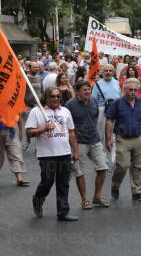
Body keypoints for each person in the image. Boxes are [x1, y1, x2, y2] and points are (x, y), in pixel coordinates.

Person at [26, 87, 80, 221]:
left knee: (63, 184)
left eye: (57, 96)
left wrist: (75, 150)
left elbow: (71, 132)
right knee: (47, 182)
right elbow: (29, 133)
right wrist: (43, 128)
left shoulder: (66, 111)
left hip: (64, 153)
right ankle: (37, 201)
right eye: (52, 96)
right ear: (46, 97)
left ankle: (63, 213)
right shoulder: (37, 111)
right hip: (47, 154)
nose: (55, 99)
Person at [105, 78, 141, 202]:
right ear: (124, 90)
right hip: (123, 139)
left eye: (135, 90)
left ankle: (137, 191)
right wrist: (108, 138)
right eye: (130, 90)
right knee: (123, 165)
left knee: (138, 167)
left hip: (139, 138)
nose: (133, 92)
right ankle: (115, 185)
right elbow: (110, 121)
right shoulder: (117, 103)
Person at [64, 81, 111, 210]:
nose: (88, 92)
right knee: (80, 172)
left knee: (102, 168)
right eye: (85, 90)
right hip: (79, 143)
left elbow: (95, 118)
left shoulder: (94, 101)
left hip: (94, 140)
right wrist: (73, 146)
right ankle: (84, 200)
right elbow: (66, 125)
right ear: (77, 91)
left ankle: (97, 196)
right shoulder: (70, 105)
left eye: (89, 89)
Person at [0, 120, 30, 187]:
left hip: (11, 131)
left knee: (15, 153)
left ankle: (19, 178)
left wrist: (20, 132)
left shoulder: (13, 109)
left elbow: (19, 119)